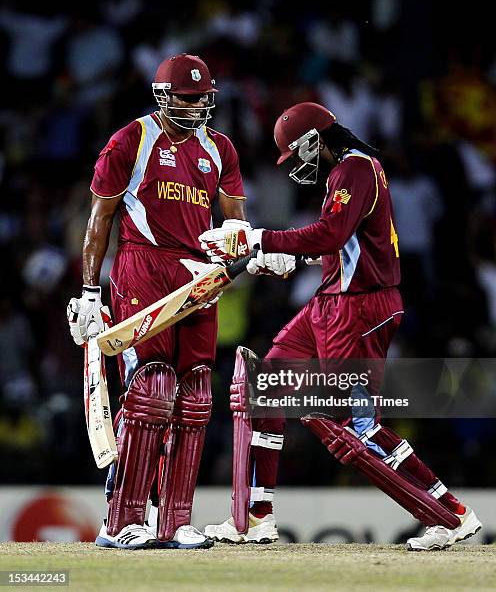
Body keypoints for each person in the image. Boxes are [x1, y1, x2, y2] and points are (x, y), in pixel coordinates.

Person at [198, 102, 482, 551]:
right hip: (332, 302)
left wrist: (259, 238)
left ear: (315, 140)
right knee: (266, 388)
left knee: (359, 426)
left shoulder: (356, 169)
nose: (296, 166)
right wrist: (289, 257)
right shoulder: (348, 172)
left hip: (359, 308)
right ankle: (257, 518)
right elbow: (345, 244)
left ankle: (450, 513)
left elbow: (331, 235)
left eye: (297, 154)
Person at [66, 52, 294, 550]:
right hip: (143, 266)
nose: (195, 107)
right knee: (149, 389)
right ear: (164, 96)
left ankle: (174, 521)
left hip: (199, 275)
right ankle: (122, 520)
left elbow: (233, 225)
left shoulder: (221, 149)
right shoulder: (132, 139)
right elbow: (99, 219)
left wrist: (256, 250)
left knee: (193, 396)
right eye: (186, 98)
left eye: (201, 98)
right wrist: (88, 289)